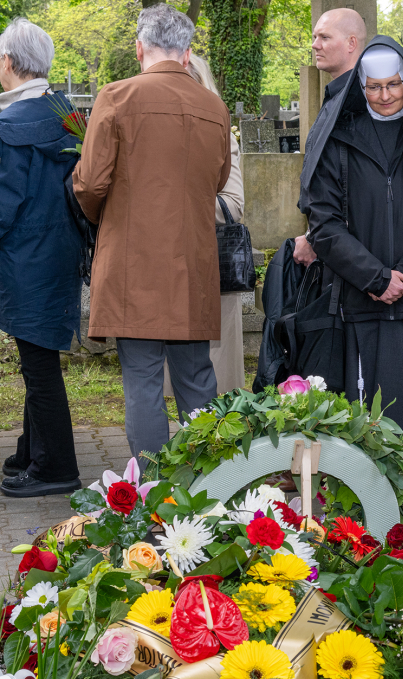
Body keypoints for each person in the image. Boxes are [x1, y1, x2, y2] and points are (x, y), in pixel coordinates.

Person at [298, 36, 403, 521]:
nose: (386, 95)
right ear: (360, 87)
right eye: (374, 87)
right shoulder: (341, 141)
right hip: (359, 298)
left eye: (394, 85)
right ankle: (362, 513)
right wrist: (374, 277)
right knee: (362, 411)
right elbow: (323, 222)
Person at [74, 4, 232, 458]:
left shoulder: (117, 97)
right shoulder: (214, 108)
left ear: (140, 47)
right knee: (196, 375)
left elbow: (90, 182)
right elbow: (218, 181)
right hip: (191, 260)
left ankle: (151, 490)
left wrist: (102, 213)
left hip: (132, 262)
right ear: (186, 54)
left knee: (142, 378)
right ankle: (212, 481)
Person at [0, 19, 83, 497]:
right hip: (60, 248)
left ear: (9, 63)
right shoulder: (65, 112)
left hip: (24, 255)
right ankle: (34, 448)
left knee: (38, 363)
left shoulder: (9, 126)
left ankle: (56, 468)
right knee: (39, 353)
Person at [161, 54, 245, 394]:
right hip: (166, 266)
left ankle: (218, 445)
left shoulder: (222, 134)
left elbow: (233, 205)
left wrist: (169, 204)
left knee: (211, 381)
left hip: (210, 267)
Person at [293, 8, 367, 268]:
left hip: (350, 253)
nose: (315, 45)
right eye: (315, 37)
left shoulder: (359, 100)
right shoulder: (339, 94)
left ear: (351, 43)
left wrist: (315, 239)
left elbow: (353, 185)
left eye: (324, 37)